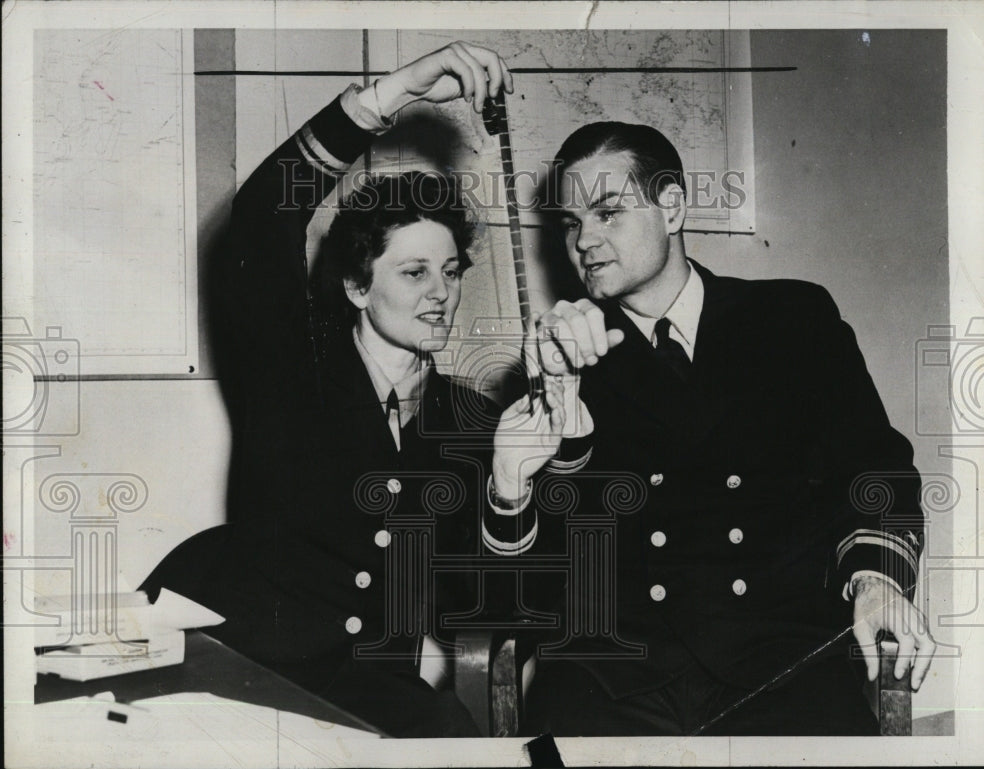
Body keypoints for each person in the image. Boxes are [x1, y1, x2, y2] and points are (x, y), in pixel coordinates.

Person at [141, 42, 566, 738]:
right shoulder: (293, 360)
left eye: (451, 271)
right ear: (356, 285)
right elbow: (258, 223)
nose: (441, 294)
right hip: (231, 653)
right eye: (414, 273)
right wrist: (392, 94)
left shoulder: (472, 419)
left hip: (366, 684)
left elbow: (497, 610)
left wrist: (510, 492)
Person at [500, 121, 937, 735]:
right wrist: (553, 418)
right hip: (612, 677)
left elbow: (874, 469)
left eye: (607, 213)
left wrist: (875, 580)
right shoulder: (565, 353)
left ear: (672, 207)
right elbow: (537, 582)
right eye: (571, 224)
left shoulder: (793, 319)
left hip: (780, 666)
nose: (584, 242)